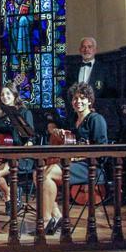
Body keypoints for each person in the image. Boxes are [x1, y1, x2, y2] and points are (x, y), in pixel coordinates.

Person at [39, 83, 108, 235]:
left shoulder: (96, 119)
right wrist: (57, 131)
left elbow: (102, 150)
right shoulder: (73, 120)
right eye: (75, 98)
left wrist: (78, 157)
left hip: (90, 168)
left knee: (47, 174)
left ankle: (45, 220)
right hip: (72, 164)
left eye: (82, 98)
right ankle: (56, 214)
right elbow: (59, 131)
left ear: (90, 100)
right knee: (38, 173)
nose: (78, 101)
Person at [0, 84, 35, 216]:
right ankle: (11, 195)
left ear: (14, 95)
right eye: (2, 95)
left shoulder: (24, 112)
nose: (5, 97)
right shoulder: (0, 115)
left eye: (8, 94)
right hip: (3, 155)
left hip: (21, 157)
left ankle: (8, 197)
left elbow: (31, 139)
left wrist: (23, 151)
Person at [64, 37, 116, 102]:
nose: (86, 50)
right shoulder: (73, 69)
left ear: (95, 50)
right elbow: (68, 90)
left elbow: (110, 91)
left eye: (89, 47)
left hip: (98, 107)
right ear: (80, 50)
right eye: (84, 47)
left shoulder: (104, 69)